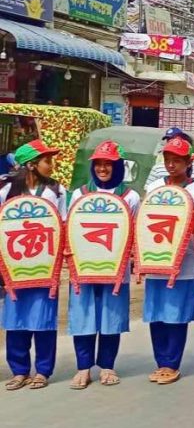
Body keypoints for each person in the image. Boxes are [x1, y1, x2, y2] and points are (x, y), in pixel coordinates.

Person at [66, 141, 142, 389]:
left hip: (115, 269)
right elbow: (70, 229)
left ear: (117, 166)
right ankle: (83, 367)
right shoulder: (79, 194)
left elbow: (137, 231)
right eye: (98, 163)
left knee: (111, 316)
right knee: (83, 315)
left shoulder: (130, 196)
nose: (102, 168)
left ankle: (108, 365)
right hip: (84, 267)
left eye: (108, 164)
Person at [143, 137, 194, 385]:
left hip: (185, 263)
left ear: (187, 163)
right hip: (155, 259)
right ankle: (160, 361)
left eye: (177, 161)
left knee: (176, 314)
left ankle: (172, 363)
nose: (172, 165)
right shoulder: (153, 189)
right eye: (168, 160)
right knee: (157, 313)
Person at [1, 140, 65, 390]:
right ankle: (19, 370)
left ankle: (43, 370)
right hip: (15, 266)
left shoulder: (56, 191)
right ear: (31, 165)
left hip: (45, 266)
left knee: (44, 318)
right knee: (15, 318)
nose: (51, 165)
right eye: (47, 161)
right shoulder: (6, 191)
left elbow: (63, 223)